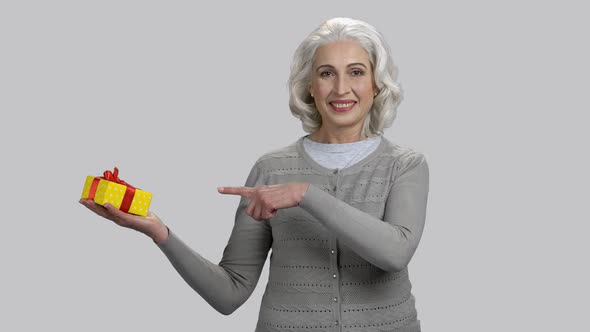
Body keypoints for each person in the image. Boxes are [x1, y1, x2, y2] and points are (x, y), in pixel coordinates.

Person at [80, 17, 429, 332]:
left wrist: (305, 194)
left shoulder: (405, 165)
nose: (340, 89)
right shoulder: (271, 168)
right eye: (326, 73)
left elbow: (394, 253)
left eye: (356, 72)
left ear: (377, 84)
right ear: (309, 85)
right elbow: (229, 294)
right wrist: (160, 232)